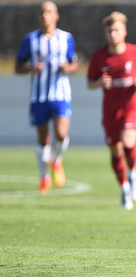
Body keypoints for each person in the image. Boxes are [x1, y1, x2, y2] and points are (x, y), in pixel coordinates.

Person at [87, 11, 136, 210]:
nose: (113, 34)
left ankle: (133, 175)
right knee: (115, 151)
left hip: (132, 107)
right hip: (110, 111)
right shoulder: (99, 56)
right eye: (110, 30)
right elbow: (89, 83)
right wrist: (100, 82)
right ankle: (124, 189)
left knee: (127, 142)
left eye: (116, 30)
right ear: (106, 33)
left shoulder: (135, 51)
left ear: (124, 31)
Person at [15, 1, 78, 194]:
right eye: (42, 12)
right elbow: (18, 67)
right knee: (44, 139)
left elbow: (74, 64)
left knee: (61, 134)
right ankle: (44, 176)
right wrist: (31, 68)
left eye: (49, 12)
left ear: (56, 16)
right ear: (39, 16)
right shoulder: (30, 39)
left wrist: (66, 68)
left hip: (60, 94)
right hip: (38, 96)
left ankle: (56, 160)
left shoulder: (66, 38)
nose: (45, 15)